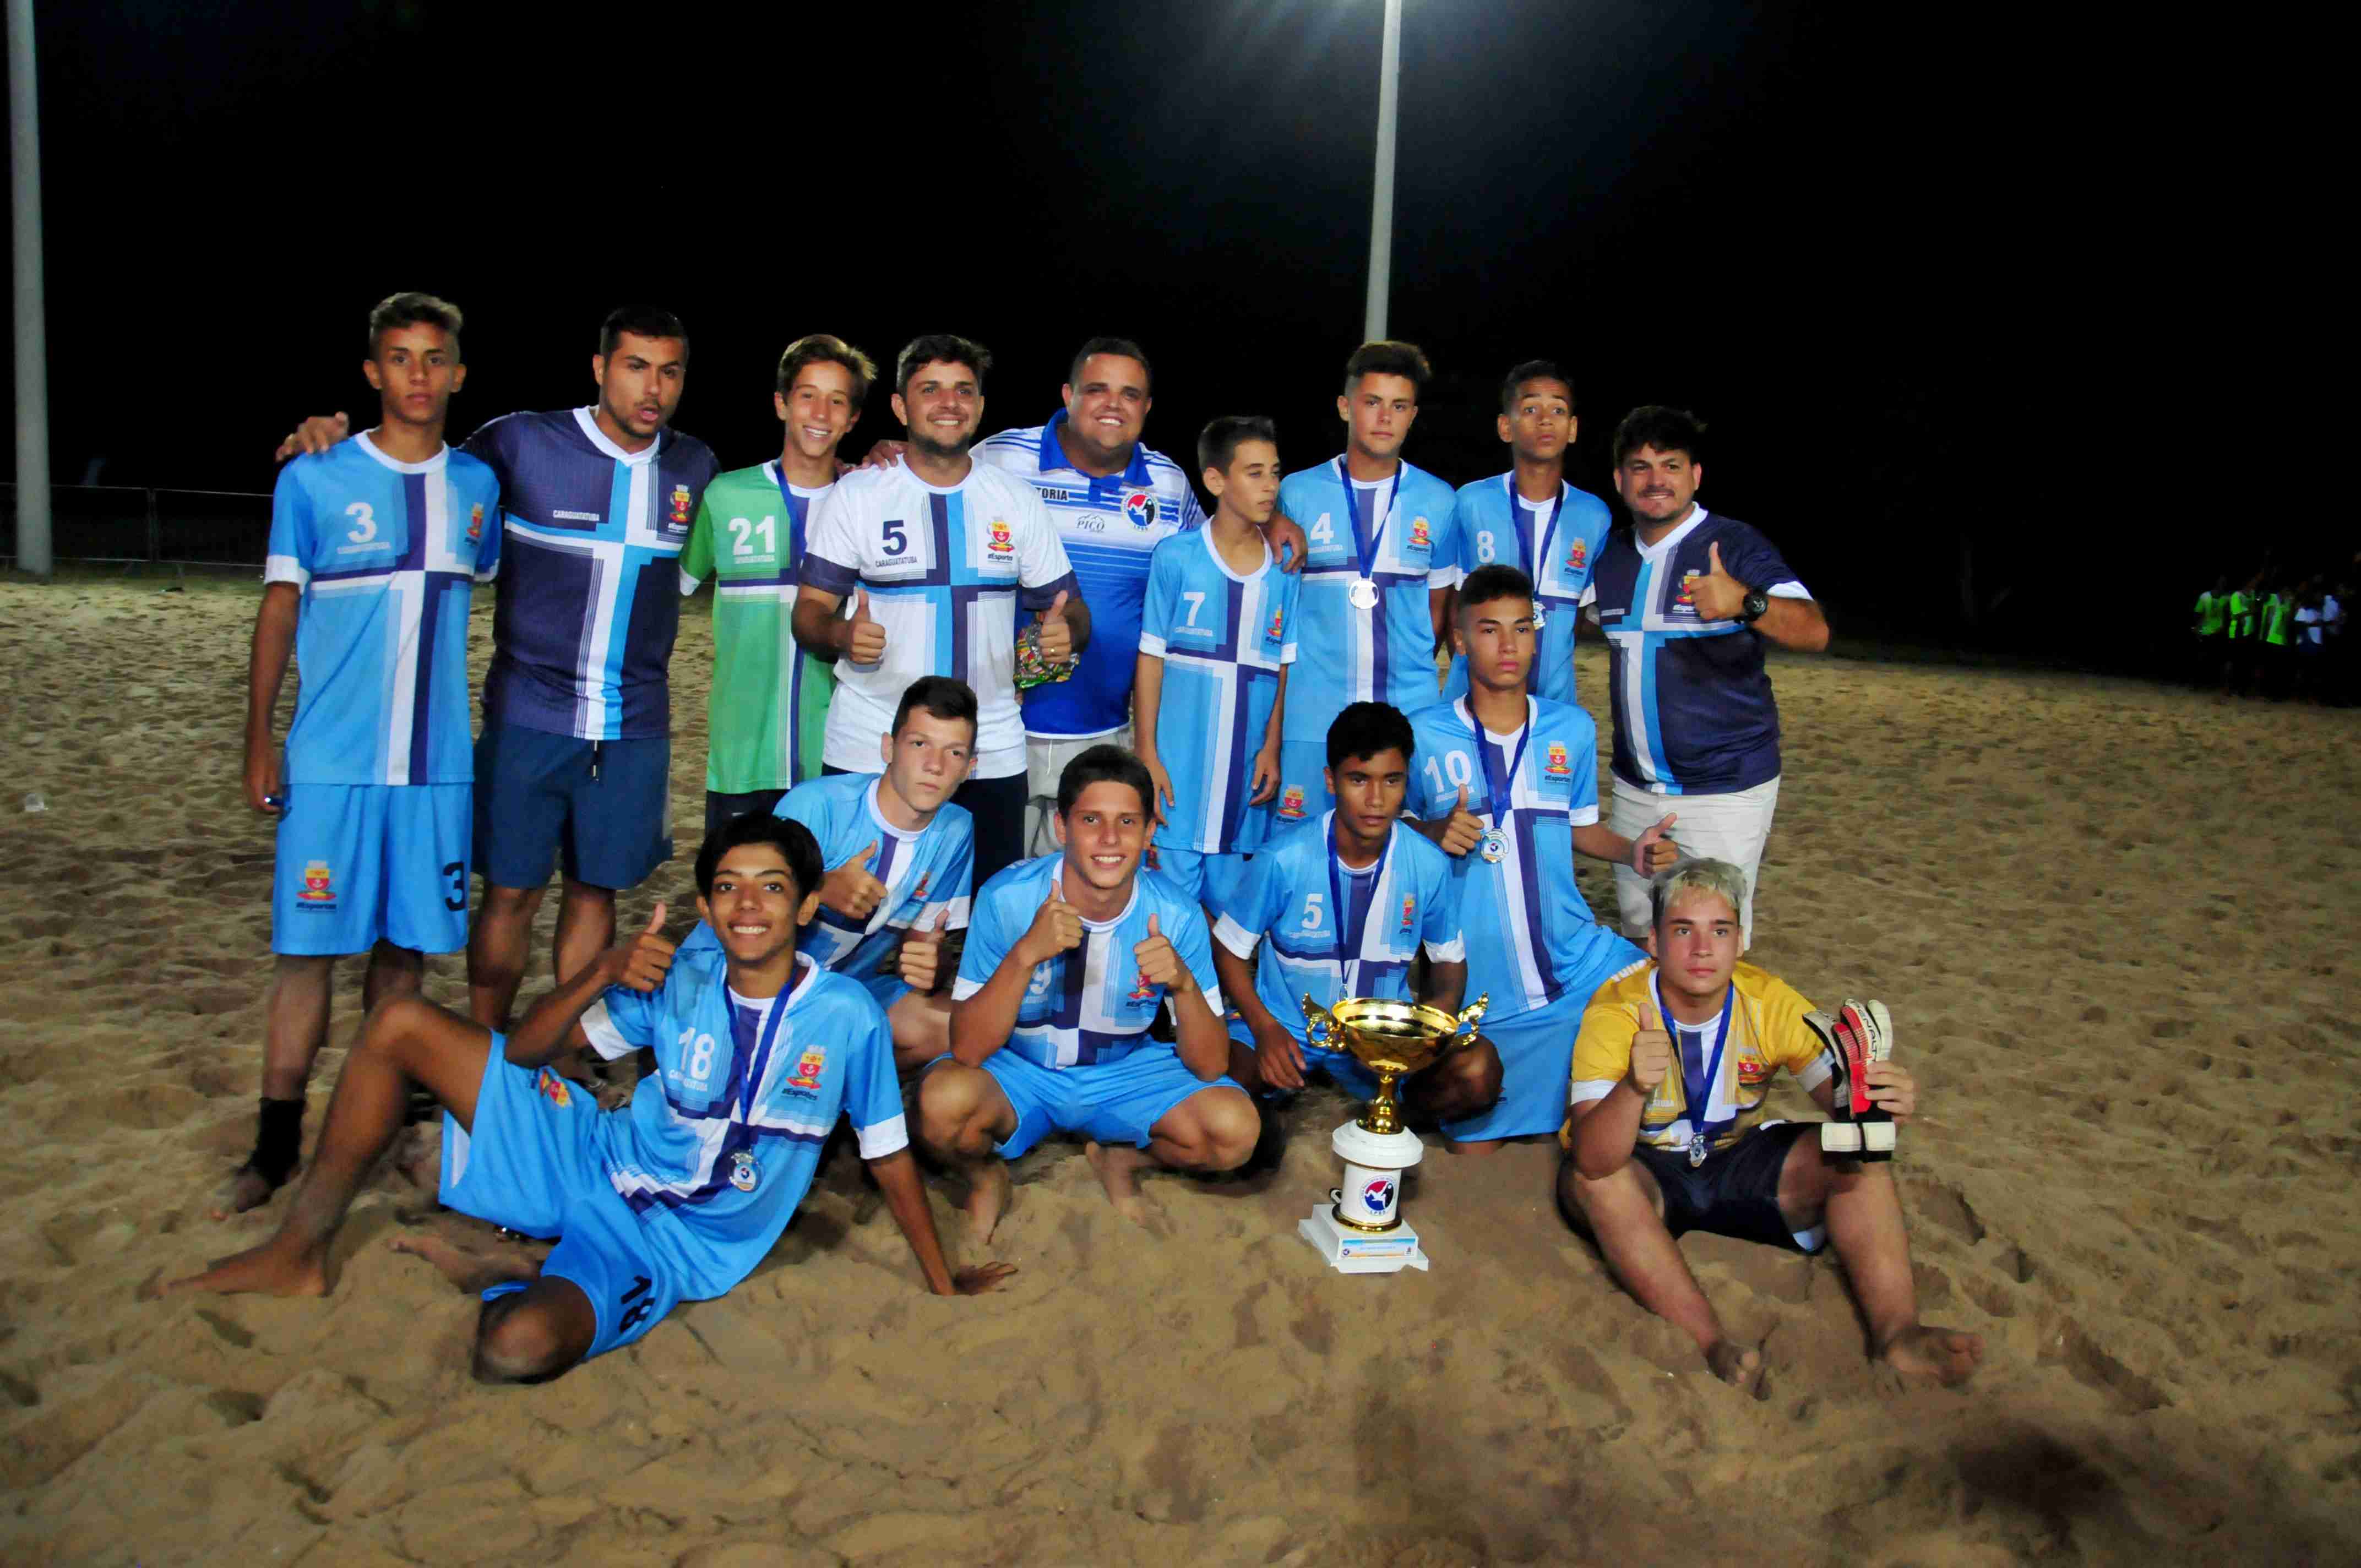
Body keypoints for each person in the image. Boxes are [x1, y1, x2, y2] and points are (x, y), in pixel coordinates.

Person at [162, 813, 1014, 1379]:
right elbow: (530, 1053)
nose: (747, 905)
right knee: (396, 1025)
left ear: (805, 904)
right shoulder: (681, 975)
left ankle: (515, 1266)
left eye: (770, 887)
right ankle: (300, 1251)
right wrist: (601, 974)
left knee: (515, 1352)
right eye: (726, 888)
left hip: (667, 1242)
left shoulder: (845, 1017)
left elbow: (891, 1156)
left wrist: (941, 1282)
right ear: (708, 905)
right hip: (591, 1152)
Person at [274, 305, 723, 1030]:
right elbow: (416, 458)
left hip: (636, 722)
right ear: (600, 368)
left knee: (594, 893)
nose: (653, 388)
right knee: (511, 895)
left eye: (670, 372)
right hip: (528, 714)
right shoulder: (519, 443)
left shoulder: (696, 467)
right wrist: (324, 439)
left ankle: (565, 1051)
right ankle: (482, 1046)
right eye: (636, 367)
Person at [227, 292, 503, 1215]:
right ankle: (272, 1146)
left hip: (433, 772)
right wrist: (259, 734)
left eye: (434, 359)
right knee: (306, 957)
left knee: (404, 961)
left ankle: (384, 1125)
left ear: (458, 374)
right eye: (400, 357)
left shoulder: (477, 487)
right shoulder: (312, 479)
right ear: (372, 371)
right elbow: (276, 611)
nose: (417, 376)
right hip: (332, 764)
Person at [866, 340, 1310, 858]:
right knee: (981, 880)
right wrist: (887, 452)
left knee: (1080, 891)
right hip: (998, 728)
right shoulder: (1004, 456)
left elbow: (1220, 541)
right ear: (1067, 395)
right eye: (1097, 389)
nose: (1113, 404)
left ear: (1147, 407)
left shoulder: (1167, 483)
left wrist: (1271, 516)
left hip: (1110, 731)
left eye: (1130, 394)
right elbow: (930, 473)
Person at [1557, 858, 1982, 1389]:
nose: (1703, 949)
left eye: (1721, 931)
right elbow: (1594, 1160)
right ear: (1654, 943)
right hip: (1647, 1172)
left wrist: (1882, 1102)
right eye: (1683, 931)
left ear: (1741, 942)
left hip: (1734, 1159)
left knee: (1856, 1151)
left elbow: (1845, 1104)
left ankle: (1898, 1335)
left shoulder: (1769, 1001)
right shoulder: (1617, 1009)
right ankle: (1712, 1343)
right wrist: (1634, 1088)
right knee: (1597, 1185)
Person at [917, 746, 1257, 1238]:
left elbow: (1209, 1066)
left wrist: (1182, 984)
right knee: (942, 1104)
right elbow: (968, 1048)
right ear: (1061, 828)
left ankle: (1122, 1160)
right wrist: (1025, 955)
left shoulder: (1177, 913)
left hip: (1125, 1072)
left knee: (1234, 1131)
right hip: (1023, 1070)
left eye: (1127, 822)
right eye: (1091, 819)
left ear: (1149, 833)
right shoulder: (1006, 897)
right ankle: (986, 1178)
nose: (1109, 839)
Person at [793, 335, 1087, 890]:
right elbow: (807, 613)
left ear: (978, 406)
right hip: (870, 739)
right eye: (930, 389)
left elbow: (1073, 612)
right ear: (902, 407)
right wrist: (839, 633)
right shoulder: (859, 494)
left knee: (987, 914)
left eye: (964, 390)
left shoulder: (1014, 499)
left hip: (989, 747)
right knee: (849, 905)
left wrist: (1063, 635)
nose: (948, 402)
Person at [1405, 565, 1677, 1147]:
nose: (1509, 646)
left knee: (1674, 996)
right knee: (1467, 1093)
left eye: (1522, 629)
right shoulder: (1423, 734)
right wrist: (1429, 829)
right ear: (1459, 640)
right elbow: (1386, 837)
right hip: (1479, 980)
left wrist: (1632, 851)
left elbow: (1579, 828)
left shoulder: (1570, 728)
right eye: (1490, 630)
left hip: (1573, 957)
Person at [1582, 406, 1828, 944]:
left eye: (1670, 466)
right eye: (1640, 467)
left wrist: (1745, 601)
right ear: (1620, 480)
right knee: (1643, 935)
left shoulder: (1733, 545)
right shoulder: (1610, 557)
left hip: (1726, 789)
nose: (1655, 481)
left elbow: (1813, 631)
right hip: (1634, 789)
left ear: (1695, 476)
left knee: (1707, 947)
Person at [1211, 702, 1500, 1122]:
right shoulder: (1284, 859)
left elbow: (1450, 965)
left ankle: (1382, 1118)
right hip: (1288, 1030)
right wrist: (1264, 1028)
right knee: (1226, 1087)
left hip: (1382, 1042)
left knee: (1479, 1071)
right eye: (1359, 780)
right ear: (1331, 780)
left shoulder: (1428, 864)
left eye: (1392, 781)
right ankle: (1299, 1109)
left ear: (1406, 784)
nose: (1376, 800)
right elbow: (1229, 950)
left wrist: (1421, 1038)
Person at [681, 677, 978, 1069]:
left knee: (952, 1029)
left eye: (954, 753)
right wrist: (818, 888)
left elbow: (926, 950)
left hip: (838, 990)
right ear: (889, 748)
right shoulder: (817, 805)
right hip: (729, 979)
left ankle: (815, 1084)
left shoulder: (955, 830)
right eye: (919, 744)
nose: (935, 766)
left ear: (969, 768)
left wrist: (931, 966)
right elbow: (741, 907)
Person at [679, 335, 878, 837]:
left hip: (835, 756)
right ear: (781, 403)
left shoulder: (868, 504)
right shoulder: (726, 495)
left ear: (853, 418)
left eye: (838, 400)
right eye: (807, 394)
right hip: (740, 753)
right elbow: (673, 588)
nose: (820, 411)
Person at [1270, 341, 1461, 831]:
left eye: (1399, 406)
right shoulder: (1297, 492)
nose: (1384, 418)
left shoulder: (1439, 501)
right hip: (1312, 717)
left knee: (1401, 858)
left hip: (1409, 714)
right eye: (1372, 402)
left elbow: (1436, 613)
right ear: (1345, 406)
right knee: (1304, 854)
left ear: (1413, 415)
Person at [1134, 415, 1300, 910]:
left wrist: (1271, 747)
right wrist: (1147, 752)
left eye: (1274, 472)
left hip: (1244, 777)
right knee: (1166, 910)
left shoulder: (1284, 570)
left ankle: (1218, 992)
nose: (1270, 485)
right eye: (1254, 473)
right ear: (1215, 480)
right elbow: (1151, 660)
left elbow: (1281, 668)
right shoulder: (1177, 557)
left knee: (1232, 918)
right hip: (1179, 770)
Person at [1443, 361, 1614, 706]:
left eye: (1558, 410)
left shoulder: (1594, 515)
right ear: (1506, 427)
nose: (1546, 420)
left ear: (1573, 428)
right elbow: (1452, 604)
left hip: (1554, 704)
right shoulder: (1470, 502)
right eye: (1531, 408)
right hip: (1472, 699)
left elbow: (1577, 617)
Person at [2191, 574, 2229, 688]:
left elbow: (2229, 615)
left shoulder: (2227, 598)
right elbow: (2198, 614)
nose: (2222, 584)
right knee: (2201, 659)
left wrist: (2225, 628)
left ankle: (2216, 684)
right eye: (2221, 582)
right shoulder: (2204, 596)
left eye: (2224, 582)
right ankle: (2197, 683)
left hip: (2220, 632)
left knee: (2219, 660)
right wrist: (2197, 628)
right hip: (2206, 631)